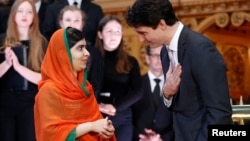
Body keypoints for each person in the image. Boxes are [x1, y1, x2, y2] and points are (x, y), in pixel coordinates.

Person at [125, 0, 233, 141]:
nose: (140, 39)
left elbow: (220, 113)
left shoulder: (201, 50)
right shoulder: (164, 52)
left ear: (162, 24)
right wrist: (167, 94)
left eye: (143, 33)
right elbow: (180, 107)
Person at [34, 27, 116, 141]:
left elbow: (96, 124)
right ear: (63, 54)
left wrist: (105, 130)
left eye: (85, 47)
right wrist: (91, 126)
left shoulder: (85, 87)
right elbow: (51, 134)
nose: (87, 53)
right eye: (80, 48)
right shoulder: (49, 90)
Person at [0, 0, 48, 141]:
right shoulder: (2, 40)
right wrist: (7, 64)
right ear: (13, 14)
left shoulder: (42, 42)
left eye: (29, 11)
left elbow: (45, 79)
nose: (24, 15)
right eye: (20, 11)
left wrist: (19, 68)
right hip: (4, 103)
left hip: (31, 104)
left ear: (34, 16)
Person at [95, 15, 143, 141]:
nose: (114, 35)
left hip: (121, 116)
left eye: (117, 31)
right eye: (109, 31)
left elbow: (138, 91)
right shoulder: (90, 59)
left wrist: (115, 107)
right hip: (95, 115)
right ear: (100, 34)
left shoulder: (130, 61)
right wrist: (98, 105)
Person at [58, 5, 103, 95]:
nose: (72, 24)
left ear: (82, 24)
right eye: (68, 20)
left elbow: (96, 85)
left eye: (76, 20)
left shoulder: (94, 53)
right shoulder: (51, 50)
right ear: (61, 24)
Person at [132, 45, 174, 141]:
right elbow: (128, 117)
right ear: (147, 58)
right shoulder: (135, 85)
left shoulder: (175, 86)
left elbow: (179, 120)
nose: (159, 59)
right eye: (155, 55)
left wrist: (162, 139)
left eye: (163, 55)